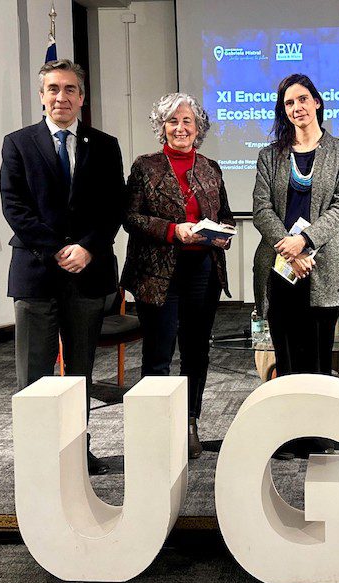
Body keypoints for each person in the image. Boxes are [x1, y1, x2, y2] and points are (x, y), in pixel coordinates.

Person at [0, 59, 124, 475]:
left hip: (87, 273)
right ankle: (35, 455)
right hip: (36, 273)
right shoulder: (18, 144)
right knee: (33, 373)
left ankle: (75, 450)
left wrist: (87, 248)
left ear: (82, 97)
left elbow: (114, 207)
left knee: (79, 373)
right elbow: (15, 207)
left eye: (70, 89)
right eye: (53, 89)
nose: (61, 97)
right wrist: (58, 249)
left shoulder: (104, 145)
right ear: (41, 96)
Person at [121, 93, 235, 460]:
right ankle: (155, 428)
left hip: (203, 271)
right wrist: (173, 231)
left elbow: (226, 214)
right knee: (159, 352)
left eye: (188, 121)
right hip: (157, 273)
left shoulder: (211, 168)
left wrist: (223, 233)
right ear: (162, 127)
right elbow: (131, 218)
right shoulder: (145, 166)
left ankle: (189, 422)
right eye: (173, 121)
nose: (181, 128)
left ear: (198, 128)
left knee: (196, 352)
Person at [252, 73, 339, 459]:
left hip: (322, 265)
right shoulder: (269, 155)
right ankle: (287, 433)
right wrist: (290, 248)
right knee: (287, 353)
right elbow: (261, 207)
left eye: (302, 99)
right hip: (280, 265)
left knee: (318, 353)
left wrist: (306, 241)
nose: (296, 108)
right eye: (289, 103)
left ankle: (316, 433)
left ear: (317, 102)